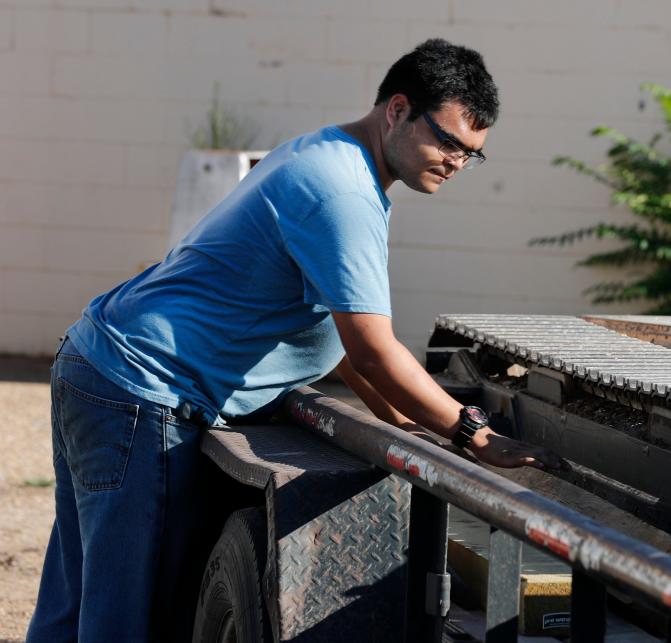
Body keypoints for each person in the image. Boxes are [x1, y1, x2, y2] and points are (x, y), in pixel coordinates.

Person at [27, 38, 564, 642]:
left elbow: (338, 334)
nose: (456, 162)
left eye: (473, 155)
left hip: (103, 367)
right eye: (447, 141)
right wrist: (473, 433)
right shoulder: (343, 192)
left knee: (78, 598)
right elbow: (370, 348)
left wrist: (396, 420)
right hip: (140, 392)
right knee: (130, 617)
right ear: (397, 109)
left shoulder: (330, 155)